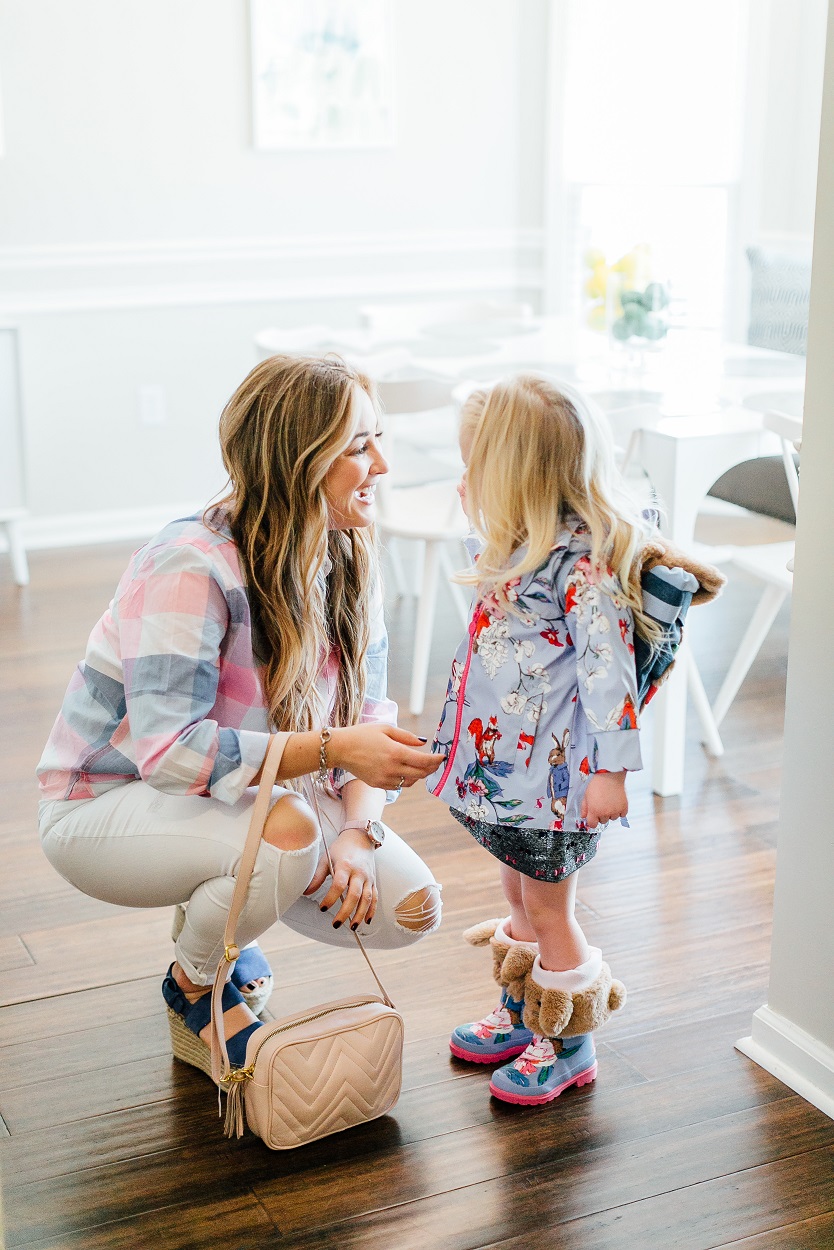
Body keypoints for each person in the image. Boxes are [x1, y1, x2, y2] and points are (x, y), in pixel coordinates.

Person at [37, 354, 442, 1078]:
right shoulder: (190, 563)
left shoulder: (348, 551)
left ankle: (227, 896)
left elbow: (367, 718)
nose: (382, 463)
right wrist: (333, 756)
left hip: (254, 788)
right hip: (109, 801)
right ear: (297, 459)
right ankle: (193, 983)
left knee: (410, 908)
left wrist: (356, 830)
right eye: (358, 445)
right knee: (287, 836)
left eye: (378, 438)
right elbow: (172, 754)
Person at [427, 374, 678, 1105]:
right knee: (518, 897)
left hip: (555, 783)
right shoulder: (516, 551)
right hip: (509, 777)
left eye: (474, 466)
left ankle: (567, 1042)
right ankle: (522, 1011)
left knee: (549, 909)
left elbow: (610, 678)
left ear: (514, 478)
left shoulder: (581, 569)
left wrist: (614, 773)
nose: (463, 481)